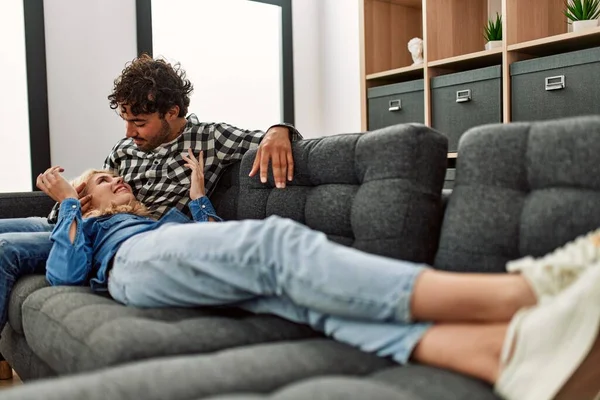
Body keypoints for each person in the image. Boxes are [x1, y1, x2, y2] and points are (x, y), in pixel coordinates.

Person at [33, 156, 600, 400]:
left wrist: (199, 194)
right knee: (274, 244)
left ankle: (502, 356)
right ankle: (527, 290)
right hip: (137, 264)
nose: (116, 180)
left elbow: (211, 235)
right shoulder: (98, 229)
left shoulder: (164, 216)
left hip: (166, 253)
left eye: (114, 175)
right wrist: (68, 208)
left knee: (307, 301)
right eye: (103, 180)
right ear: (88, 200)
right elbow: (64, 275)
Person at [0, 55, 301, 347]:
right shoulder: (123, 150)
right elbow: (102, 190)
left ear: (171, 112)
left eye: (139, 122)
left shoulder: (210, 139)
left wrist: (279, 130)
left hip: (122, 239)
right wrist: (69, 201)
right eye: (126, 121)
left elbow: (276, 140)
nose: (129, 133)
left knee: (5, 251)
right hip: (82, 219)